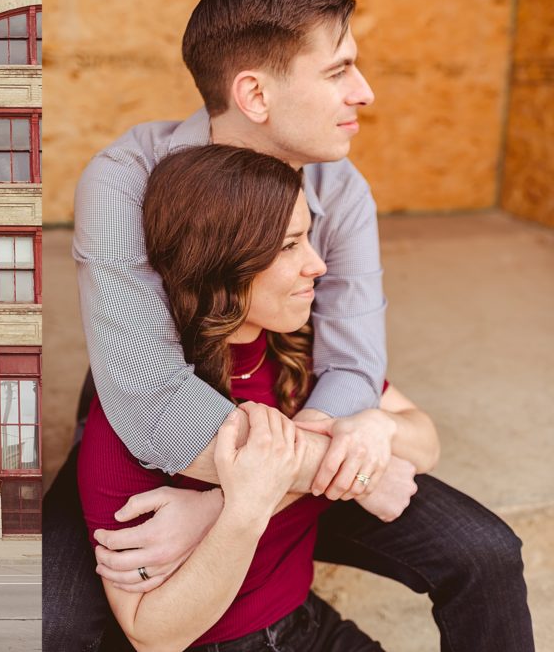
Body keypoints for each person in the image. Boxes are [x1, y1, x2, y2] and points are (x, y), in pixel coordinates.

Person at [44, 0, 533, 651]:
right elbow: (152, 400)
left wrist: (227, 505)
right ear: (254, 94)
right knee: (53, 621)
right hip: (158, 435)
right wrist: (315, 478)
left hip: (287, 418)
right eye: (338, 71)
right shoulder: (124, 181)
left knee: (482, 550)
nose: (363, 92)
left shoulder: (343, 190)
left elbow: (353, 368)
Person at [80, 143, 440, 651]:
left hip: (305, 625)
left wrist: (377, 429)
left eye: (308, 237)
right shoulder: (148, 412)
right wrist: (244, 508)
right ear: (221, 261)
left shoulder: (301, 353)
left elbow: (424, 441)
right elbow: (150, 634)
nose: (317, 265)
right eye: (290, 245)